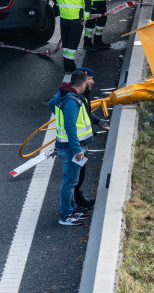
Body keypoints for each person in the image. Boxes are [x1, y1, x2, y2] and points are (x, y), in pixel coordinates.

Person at [49, 70, 94, 226]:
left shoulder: (63, 95)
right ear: (82, 84)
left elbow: (51, 105)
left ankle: (72, 208)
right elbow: (70, 128)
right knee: (69, 182)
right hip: (71, 148)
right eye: (87, 82)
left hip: (68, 147)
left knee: (72, 181)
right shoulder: (72, 101)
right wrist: (77, 150)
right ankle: (66, 215)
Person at [72, 67, 109, 208]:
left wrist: (99, 122)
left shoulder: (83, 96)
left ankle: (76, 200)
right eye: (90, 79)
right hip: (76, 145)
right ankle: (73, 205)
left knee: (79, 174)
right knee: (74, 177)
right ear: (82, 82)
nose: (92, 82)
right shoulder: (76, 99)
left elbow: (86, 116)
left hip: (81, 144)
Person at [55, 0, 91, 74]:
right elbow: (87, 1)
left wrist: (60, 4)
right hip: (77, 19)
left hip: (64, 17)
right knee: (73, 43)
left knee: (66, 42)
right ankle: (69, 67)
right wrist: (85, 17)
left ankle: (69, 65)